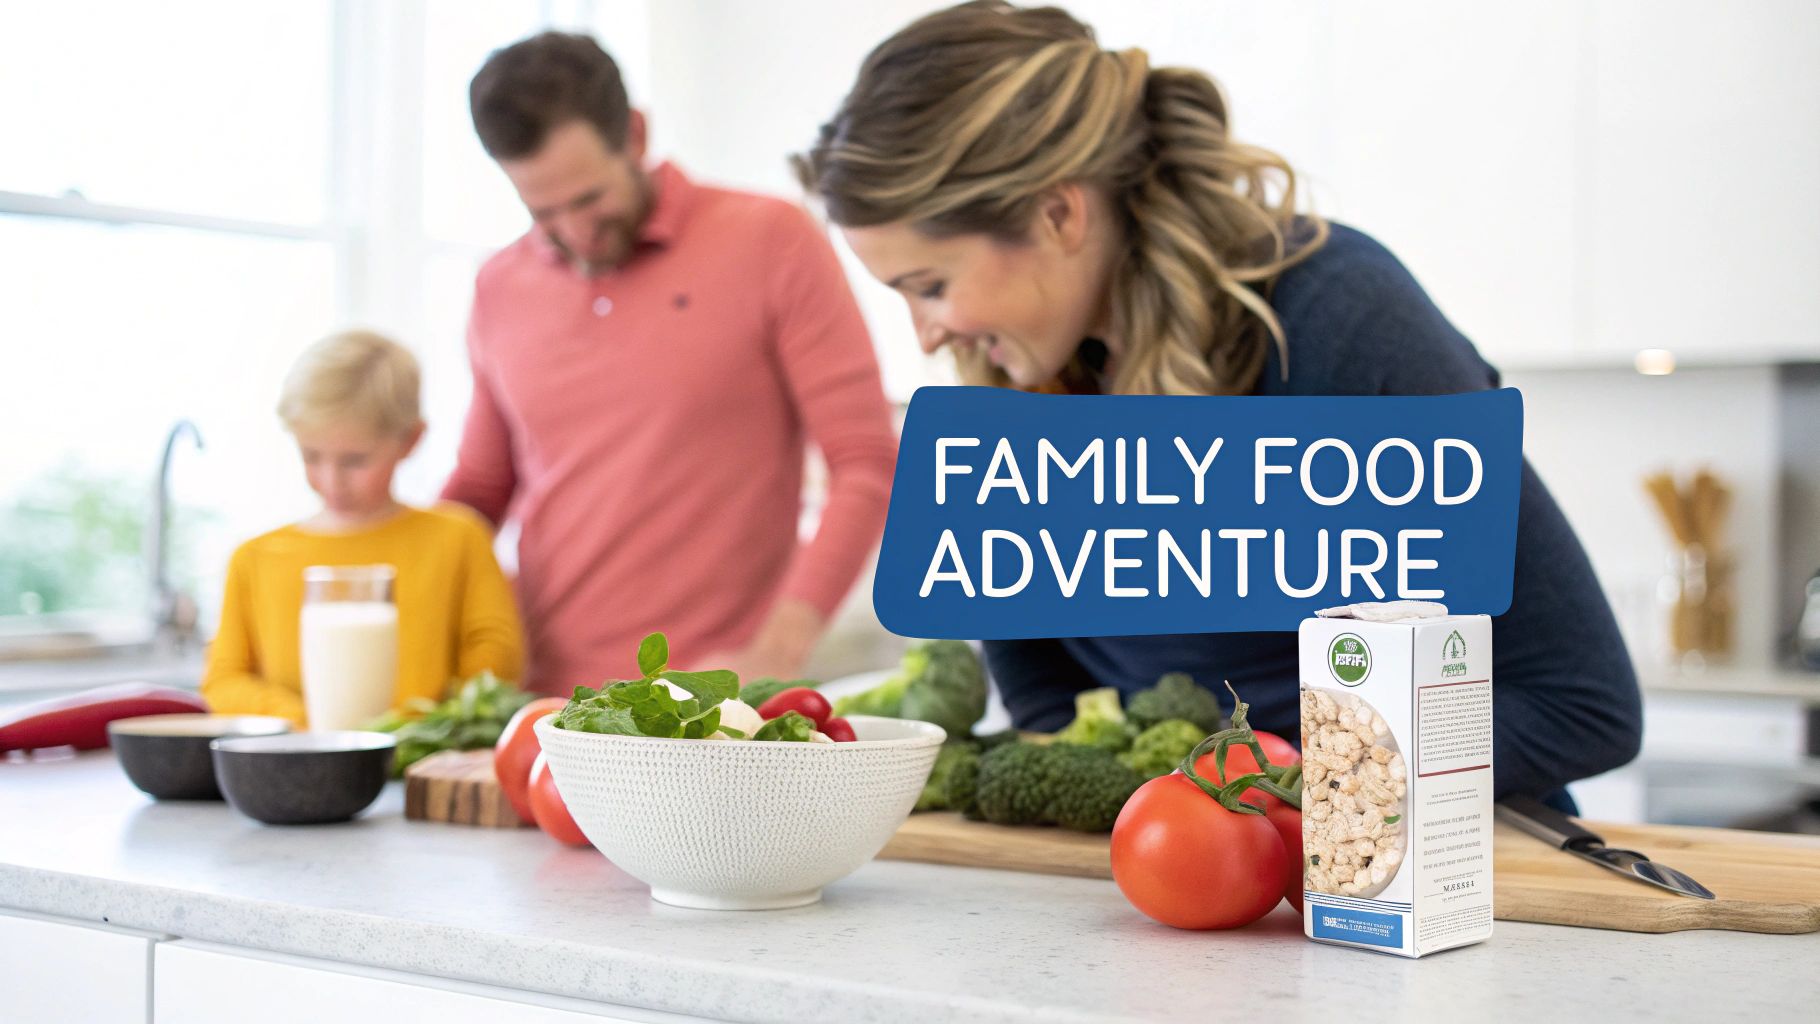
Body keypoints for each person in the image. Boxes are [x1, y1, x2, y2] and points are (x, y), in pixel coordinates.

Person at [793, 1, 1642, 800]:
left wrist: (1261, 792)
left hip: (1409, 875)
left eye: (931, 286)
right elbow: (1047, 693)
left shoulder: (1338, 318)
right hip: (1188, 882)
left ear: (1057, 214)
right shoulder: (1022, 384)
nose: (927, 337)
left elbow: (1582, 702)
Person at [444, 32, 896, 692]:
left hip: (714, 701)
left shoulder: (770, 240)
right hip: (545, 708)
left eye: (588, 199)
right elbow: (481, 491)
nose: (574, 233)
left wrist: (779, 650)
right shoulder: (498, 285)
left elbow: (866, 462)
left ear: (633, 133)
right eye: (543, 213)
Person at [202, 331, 524, 725]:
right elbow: (224, 681)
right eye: (311, 456)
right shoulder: (255, 558)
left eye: (354, 461)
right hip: (303, 762)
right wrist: (309, 723)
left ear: (410, 440)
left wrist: (427, 728)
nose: (331, 479)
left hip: (420, 763)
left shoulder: (458, 538)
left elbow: (496, 660)